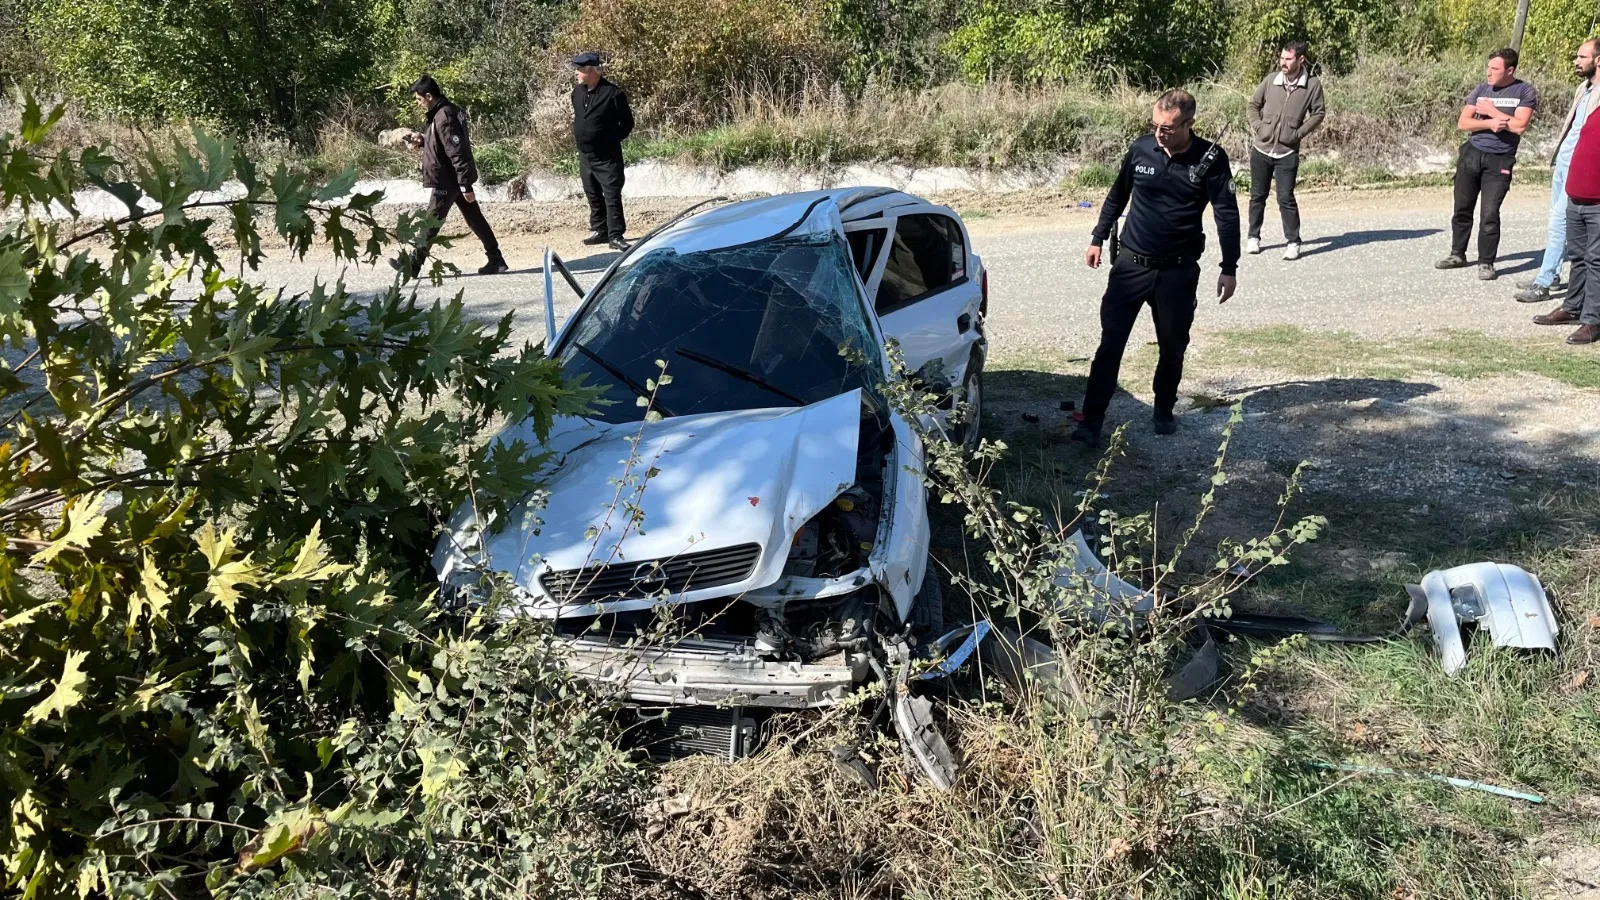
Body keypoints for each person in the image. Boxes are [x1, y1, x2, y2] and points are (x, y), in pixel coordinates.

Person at [1071, 90, 1240, 445]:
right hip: (1131, 263)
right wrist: (1097, 237)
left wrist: (1229, 265)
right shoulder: (1141, 149)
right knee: (1110, 344)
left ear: (1188, 124)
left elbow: (1226, 213)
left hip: (1177, 272)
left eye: (1167, 127)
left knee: (1172, 346)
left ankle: (1163, 408)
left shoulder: (1210, 159)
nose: (1159, 133)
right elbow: (1118, 196)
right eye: (1154, 125)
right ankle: (1091, 421)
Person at [1436, 48, 1538, 281]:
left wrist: (1491, 110)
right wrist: (1492, 122)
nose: (1489, 73)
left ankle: (1486, 262)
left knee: (1490, 212)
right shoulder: (1481, 89)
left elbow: (1519, 126)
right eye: (1488, 67)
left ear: (1510, 70)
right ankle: (1457, 253)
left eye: (1495, 69)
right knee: (1462, 206)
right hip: (1472, 153)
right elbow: (1463, 122)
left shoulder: (1524, 91)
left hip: (1500, 158)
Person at [392, 74, 507, 277]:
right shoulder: (445, 112)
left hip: (448, 180)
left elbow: (457, 150)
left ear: (428, 96)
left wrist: (466, 185)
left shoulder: (443, 116)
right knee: (475, 219)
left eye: (419, 99)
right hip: (454, 179)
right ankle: (496, 259)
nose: (418, 104)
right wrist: (423, 139)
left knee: (430, 223)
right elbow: (442, 143)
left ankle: (412, 265)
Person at [1516, 39, 1600, 303]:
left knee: (1559, 223)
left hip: (1580, 168)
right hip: (1564, 163)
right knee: (1554, 218)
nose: (1577, 61)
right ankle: (1551, 274)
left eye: (1582, 56)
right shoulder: (1583, 88)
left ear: (1598, 60)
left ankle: (1543, 283)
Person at [1245, 39, 1325, 261]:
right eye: (1282, 58)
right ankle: (1253, 237)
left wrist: (1297, 134)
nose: (1283, 62)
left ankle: (1293, 242)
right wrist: (1260, 128)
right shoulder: (1271, 80)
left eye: (1288, 59)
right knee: (1257, 196)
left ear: (1300, 59)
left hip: (1287, 153)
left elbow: (1318, 114)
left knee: (1285, 198)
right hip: (1261, 149)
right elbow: (1253, 105)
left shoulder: (1312, 85)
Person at [1532, 85, 1600, 345]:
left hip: (1597, 203)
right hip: (1577, 197)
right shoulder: (1592, 107)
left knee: (1596, 261)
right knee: (1579, 258)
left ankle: (1593, 320)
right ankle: (1573, 307)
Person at [571, 51, 635, 251]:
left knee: (611, 194)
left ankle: (615, 235)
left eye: (580, 70)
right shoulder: (578, 92)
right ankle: (600, 230)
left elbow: (627, 124)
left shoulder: (613, 94)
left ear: (591, 71)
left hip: (606, 156)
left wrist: (609, 140)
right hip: (585, 154)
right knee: (592, 192)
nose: (577, 73)